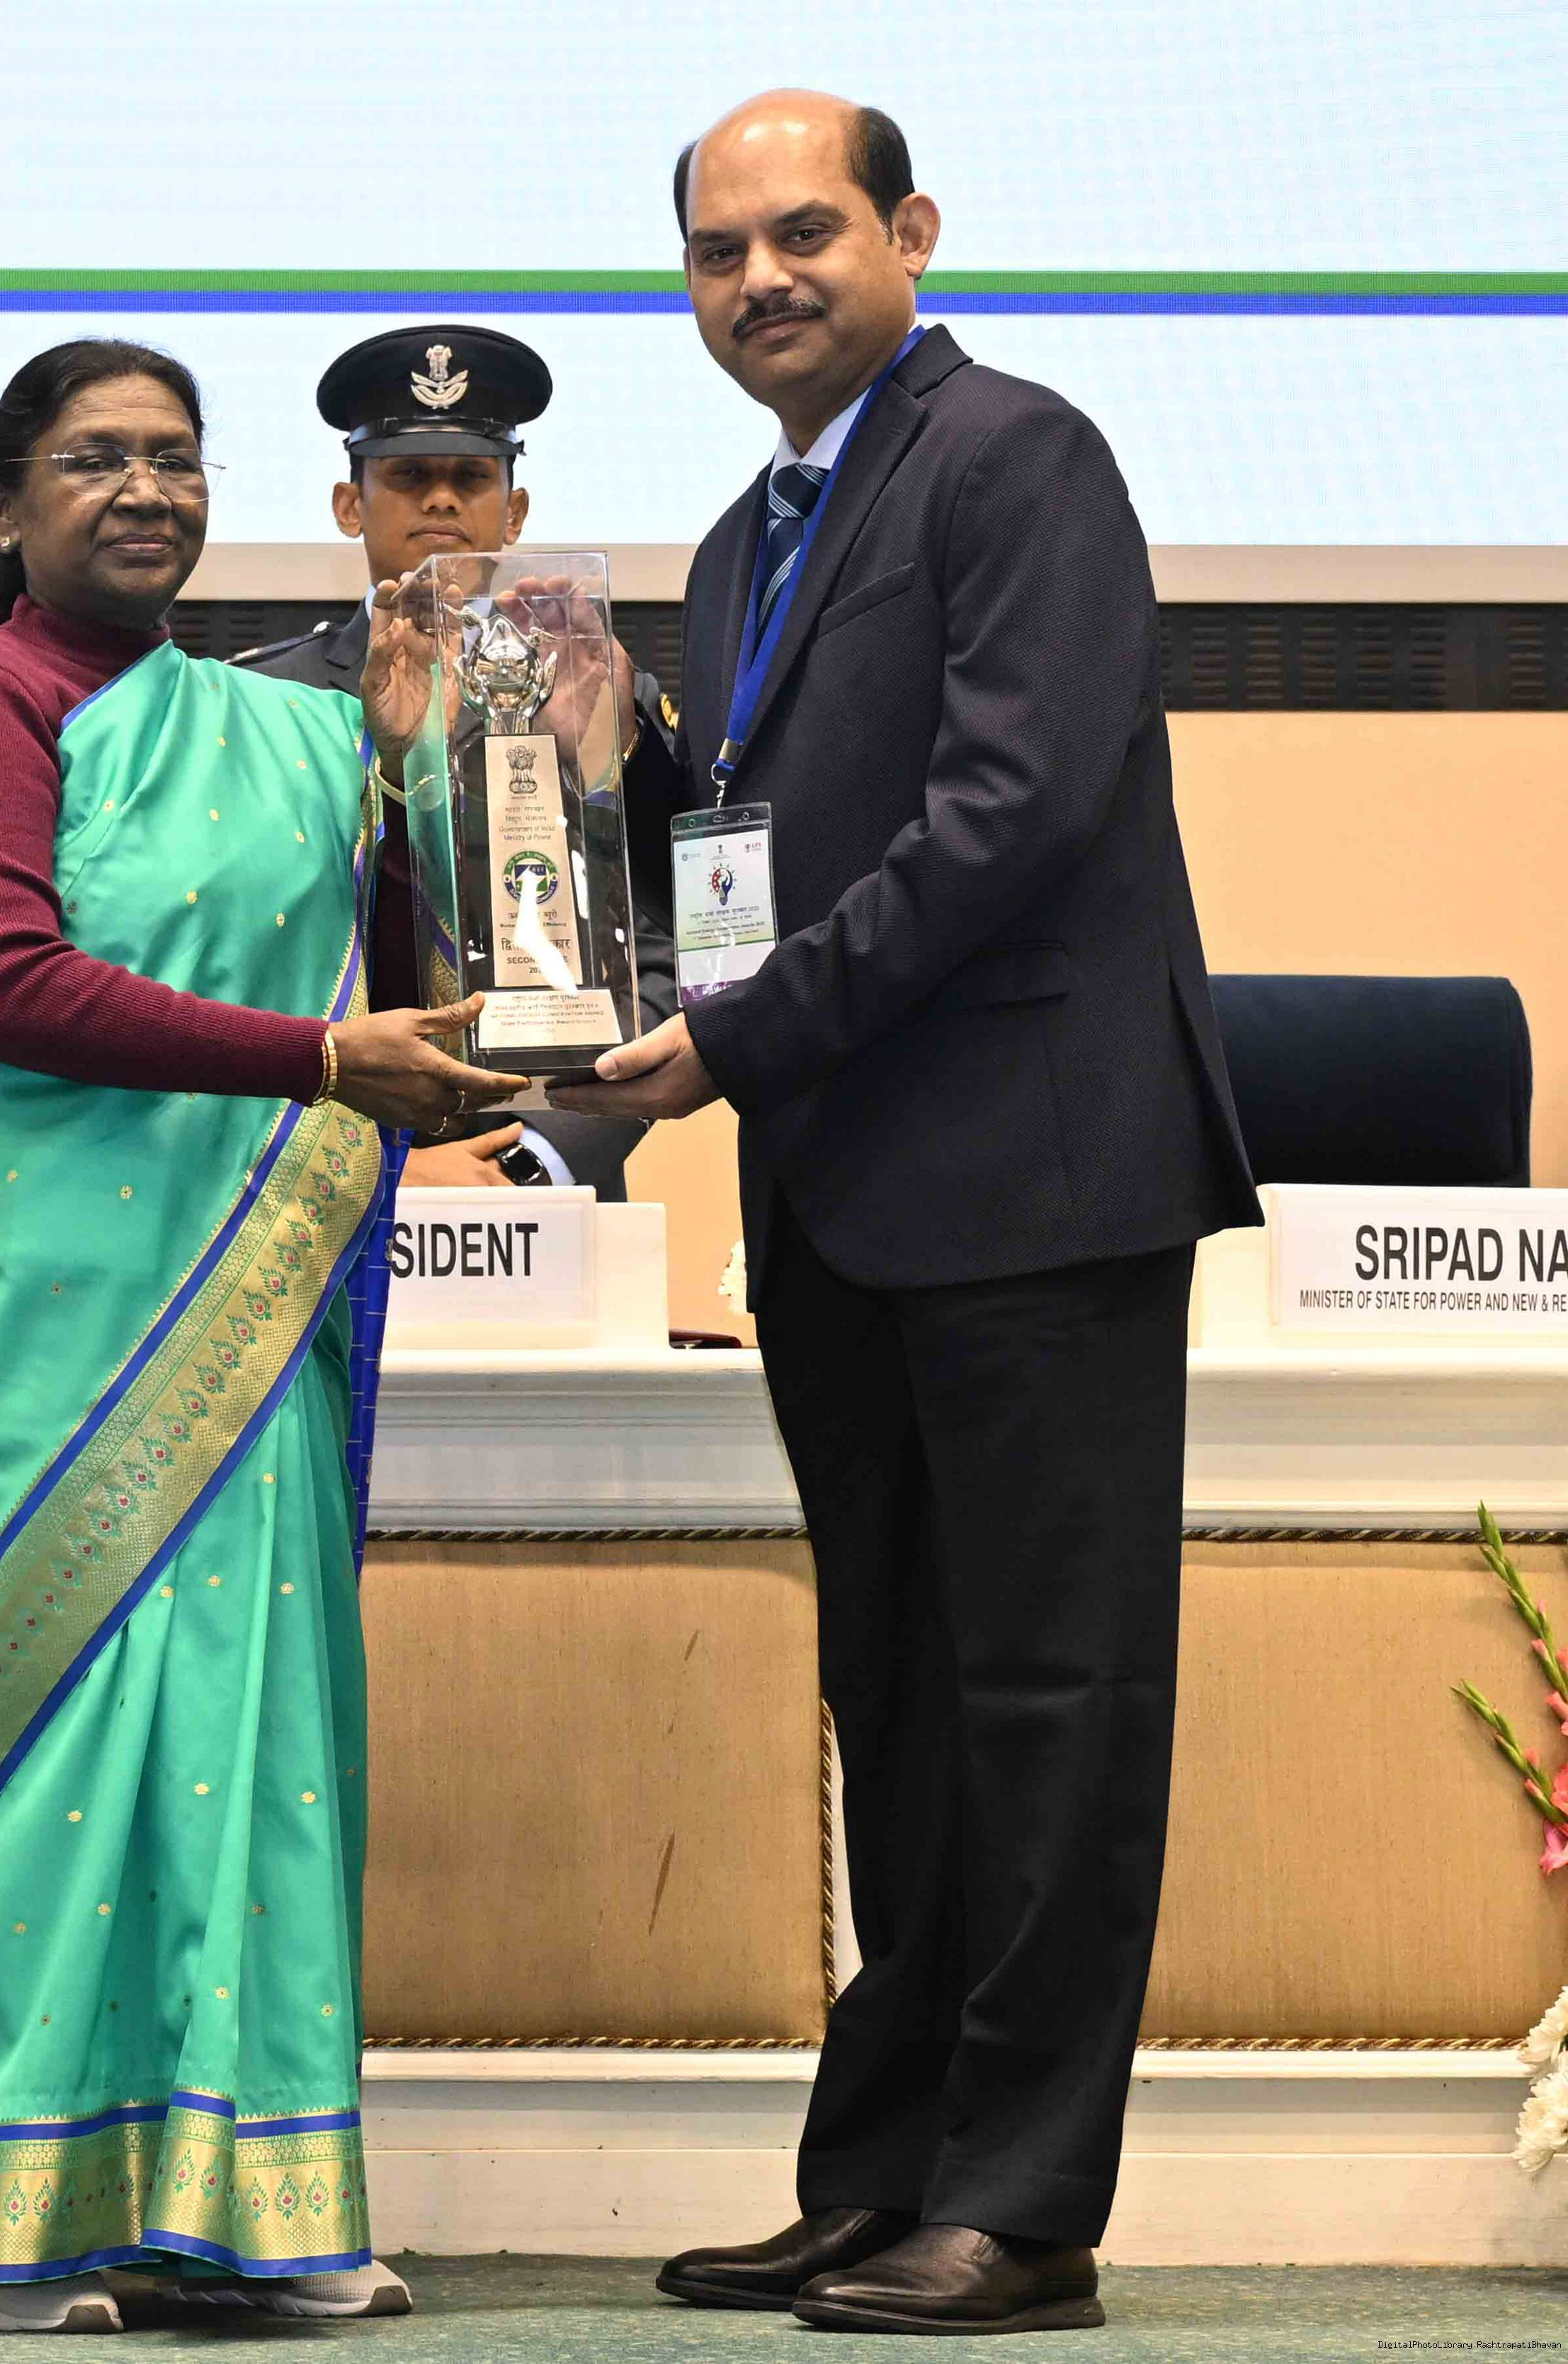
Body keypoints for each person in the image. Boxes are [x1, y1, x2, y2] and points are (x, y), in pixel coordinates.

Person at [555, 93, 1256, 2336]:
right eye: (715, 253)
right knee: (902, 1694)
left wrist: (737, 1036)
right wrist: (610, 796)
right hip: (840, 1192)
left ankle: (1025, 2203)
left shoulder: (1013, 455)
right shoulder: (733, 543)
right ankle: (881, 2174)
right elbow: (738, 875)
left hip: (1032, 1175)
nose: (758, 279)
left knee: (1049, 1692)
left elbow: (1007, 810)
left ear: (907, 232)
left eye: (802, 231)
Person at [0, 337, 526, 2334]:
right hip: (31, 1289)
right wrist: (315, 1062)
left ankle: (252, 2206)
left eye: (173, 457)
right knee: (49, 1716)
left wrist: (420, 771)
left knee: (253, 1719)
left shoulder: (290, 729)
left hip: (239, 1293)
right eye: (92, 459)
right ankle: (14, 2221)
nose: (143, 488)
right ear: (7, 504)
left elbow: (417, 973)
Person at [239, 325, 686, 1199]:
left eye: (471, 477)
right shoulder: (261, 700)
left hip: (547, 1174)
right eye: (409, 474)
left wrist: (538, 1156)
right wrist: (365, 1168)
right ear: (349, 505)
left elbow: (656, 946)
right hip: (316, 1179)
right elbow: (246, 953)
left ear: (513, 513)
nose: (441, 498)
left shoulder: (596, 690)